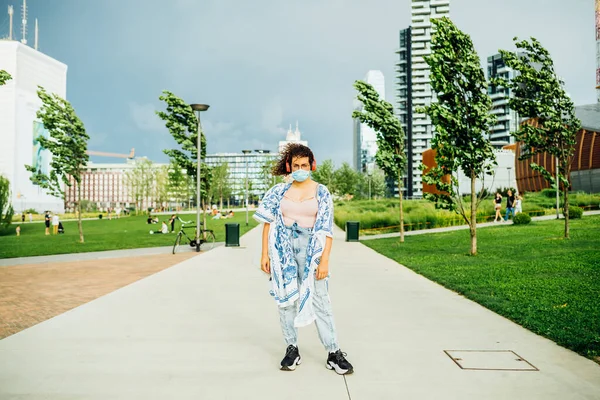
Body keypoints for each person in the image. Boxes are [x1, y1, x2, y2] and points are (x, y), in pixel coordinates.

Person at [254, 143, 353, 375]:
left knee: (320, 300)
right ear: (289, 166)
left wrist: (325, 260)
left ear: (312, 165)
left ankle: (333, 352)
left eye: (304, 165)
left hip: (312, 250)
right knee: (286, 300)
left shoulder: (321, 192)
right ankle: (292, 348)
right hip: (283, 250)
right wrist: (264, 254)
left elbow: (326, 229)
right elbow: (268, 223)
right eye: (296, 165)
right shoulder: (278, 192)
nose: (300, 169)